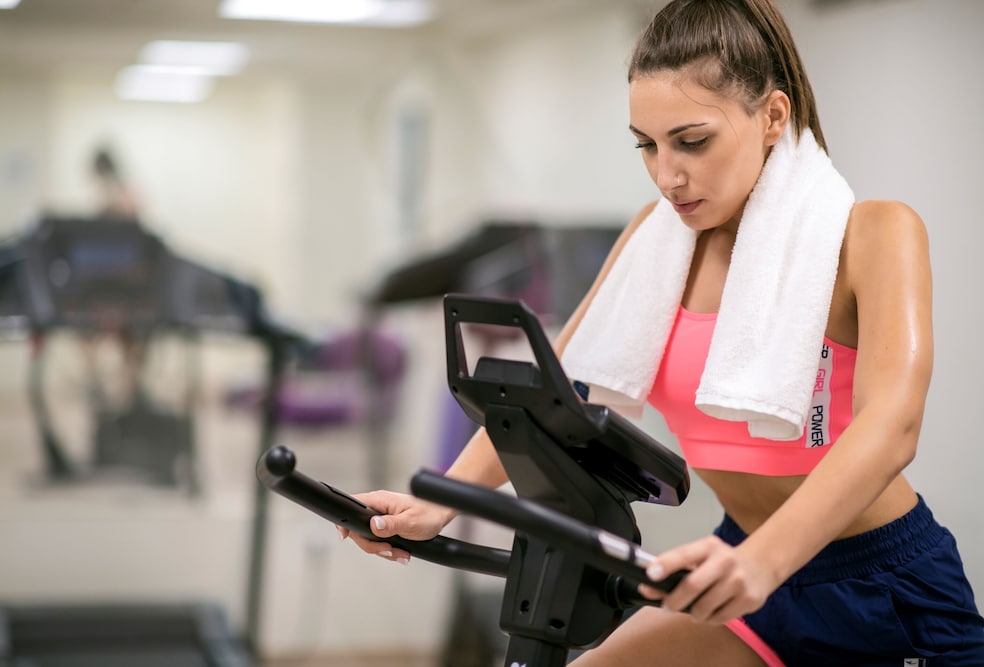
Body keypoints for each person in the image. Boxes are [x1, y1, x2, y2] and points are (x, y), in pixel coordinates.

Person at [340, 0, 984, 664]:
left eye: (692, 141)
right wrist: (437, 502)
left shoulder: (874, 232)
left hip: (880, 586)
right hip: (744, 571)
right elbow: (554, 398)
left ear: (772, 116)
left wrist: (764, 562)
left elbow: (894, 425)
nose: (667, 175)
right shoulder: (652, 243)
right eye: (647, 145)